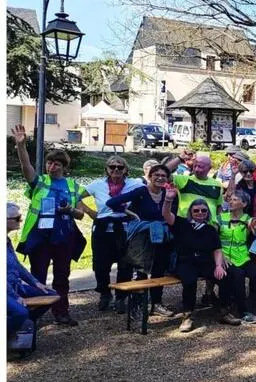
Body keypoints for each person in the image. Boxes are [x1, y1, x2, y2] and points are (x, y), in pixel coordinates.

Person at [10, 125, 88, 326]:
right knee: (38, 276)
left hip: (63, 236)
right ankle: (34, 315)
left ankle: (61, 312)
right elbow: (26, 167)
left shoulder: (73, 186)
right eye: (49, 163)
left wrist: (70, 210)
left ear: (64, 167)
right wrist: (21, 146)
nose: (51, 167)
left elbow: (81, 214)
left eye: (56, 164)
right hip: (40, 236)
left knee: (62, 276)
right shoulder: (40, 181)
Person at [162, 192, 242, 330]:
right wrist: (168, 199)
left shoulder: (210, 229)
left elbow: (217, 249)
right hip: (186, 261)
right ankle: (187, 317)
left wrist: (218, 266)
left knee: (225, 276)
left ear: (207, 212)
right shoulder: (182, 224)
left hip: (205, 262)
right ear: (191, 212)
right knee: (190, 281)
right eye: (196, 210)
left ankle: (224, 312)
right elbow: (166, 214)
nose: (200, 213)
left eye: (203, 210)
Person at [106, 164, 177, 316]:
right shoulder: (141, 191)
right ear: (149, 177)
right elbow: (111, 203)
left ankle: (156, 304)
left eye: (163, 176)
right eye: (156, 175)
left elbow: (173, 213)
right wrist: (130, 213)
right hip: (142, 237)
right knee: (140, 270)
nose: (160, 178)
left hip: (161, 236)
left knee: (158, 270)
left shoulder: (168, 194)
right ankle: (138, 306)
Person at [81, 155, 144, 311]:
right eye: (112, 166)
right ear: (106, 169)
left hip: (125, 227)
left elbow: (150, 191)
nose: (116, 169)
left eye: (120, 167)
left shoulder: (134, 184)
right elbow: (75, 195)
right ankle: (104, 293)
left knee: (125, 264)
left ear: (126, 170)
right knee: (100, 265)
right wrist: (89, 211)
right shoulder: (97, 185)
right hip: (103, 227)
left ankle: (121, 297)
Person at [7, 203, 59, 336]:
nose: (20, 221)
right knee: (20, 312)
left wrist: (35, 283)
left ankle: (24, 326)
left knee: (51, 295)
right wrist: (15, 296)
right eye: (17, 218)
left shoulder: (6, 240)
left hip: (16, 286)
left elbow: (17, 266)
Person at [215, 191, 256, 324]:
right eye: (230, 199)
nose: (231, 202)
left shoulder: (248, 218)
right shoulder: (220, 218)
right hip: (224, 257)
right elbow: (213, 239)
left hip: (243, 256)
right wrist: (221, 256)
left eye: (235, 199)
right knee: (238, 275)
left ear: (244, 204)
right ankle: (243, 312)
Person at [164, 150, 232, 221]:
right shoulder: (185, 180)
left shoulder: (217, 185)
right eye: (195, 166)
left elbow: (219, 208)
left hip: (209, 225)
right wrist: (180, 158)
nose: (196, 169)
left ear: (209, 168)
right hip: (187, 223)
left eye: (200, 167)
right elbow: (163, 172)